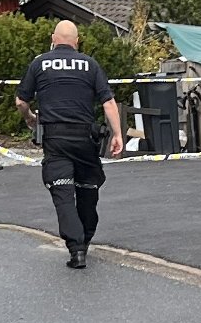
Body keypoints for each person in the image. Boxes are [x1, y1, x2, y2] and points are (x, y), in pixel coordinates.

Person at [15, 21, 122, 269]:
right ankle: (85, 239)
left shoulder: (40, 63)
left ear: (53, 38)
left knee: (62, 193)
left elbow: (21, 101)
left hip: (55, 139)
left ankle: (76, 249)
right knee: (87, 190)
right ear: (77, 41)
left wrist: (30, 118)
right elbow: (108, 103)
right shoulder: (90, 64)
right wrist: (117, 134)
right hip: (85, 139)